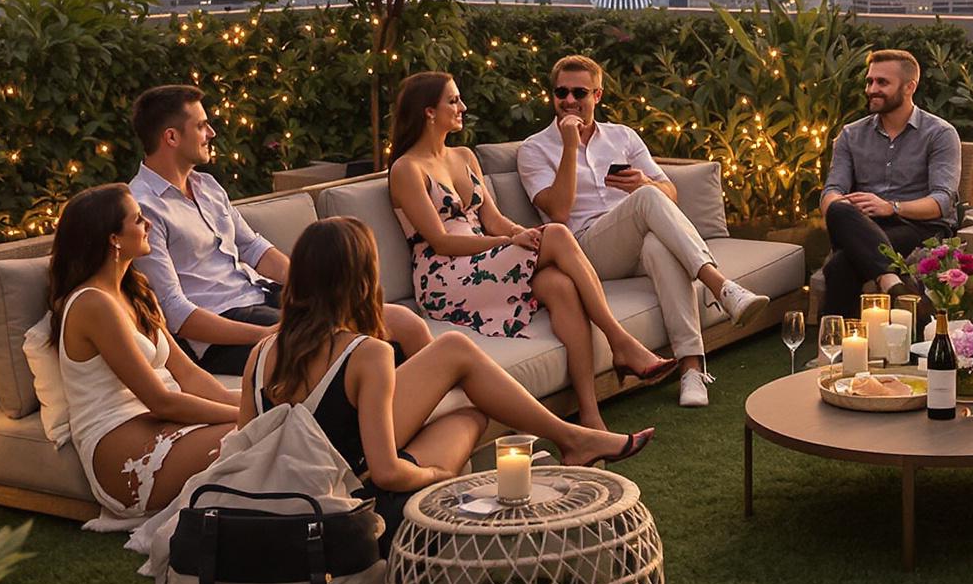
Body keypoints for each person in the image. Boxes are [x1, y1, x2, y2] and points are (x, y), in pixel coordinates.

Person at [239, 216, 649, 536]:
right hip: (344, 493)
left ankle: (571, 440)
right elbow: (386, 473)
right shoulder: (367, 354)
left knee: (461, 397)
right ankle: (570, 440)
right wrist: (437, 478)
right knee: (465, 398)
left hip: (280, 492)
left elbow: (244, 446)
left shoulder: (260, 353)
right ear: (361, 279)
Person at [388, 71, 677, 432]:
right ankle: (620, 341)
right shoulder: (406, 169)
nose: (462, 106)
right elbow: (441, 242)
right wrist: (510, 243)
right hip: (445, 276)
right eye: (453, 100)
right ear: (428, 111)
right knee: (555, 233)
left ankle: (590, 415)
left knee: (559, 286)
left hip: (485, 259)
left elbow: (492, 218)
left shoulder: (463, 156)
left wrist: (521, 233)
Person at [518, 54, 767, 408]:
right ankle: (721, 287)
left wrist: (643, 182)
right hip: (584, 252)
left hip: (631, 244)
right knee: (647, 200)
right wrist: (570, 145)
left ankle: (692, 370)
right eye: (561, 92)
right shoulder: (534, 149)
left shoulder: (622, 136)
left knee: (658, 245)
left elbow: (670, 193)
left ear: (598, 95)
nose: (569, 101)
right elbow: (557, 211)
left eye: (580, 93)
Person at [127, 84, 431, 374]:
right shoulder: (143, 209)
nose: (211, 133)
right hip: (222, 328)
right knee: (360, 350)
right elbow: (176, 312)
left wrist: (307, 284)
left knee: (398, 324)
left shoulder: (206, 186)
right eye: (201, 126)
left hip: (264, 295)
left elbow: (253, 248)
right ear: (171, 137)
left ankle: (425, 400)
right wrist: (267, 334)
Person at [42, 183, 239, 521]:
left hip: (163, 423)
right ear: (113, 238)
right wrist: (249, 413)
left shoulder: (136, 291)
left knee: (287, 418)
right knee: (263, 434)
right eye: (137, 219)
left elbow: (189, 375)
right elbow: (160, 400)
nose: (148, 224)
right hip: (122, 450)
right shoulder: (93, 304)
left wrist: (264, 400)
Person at [818, 49, 963, 318]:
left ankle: (835, 348)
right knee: (838, 208)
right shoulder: (851, 134)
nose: (872, 89)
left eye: (882, 83)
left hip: (920, 228)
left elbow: (943, 201)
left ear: (910, 87)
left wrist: (892, 207)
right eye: (869, 81)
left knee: (840, 265)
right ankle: (892, 283)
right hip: (865, 225)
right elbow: (831, 192)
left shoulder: (940, 134)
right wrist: (847, 206)